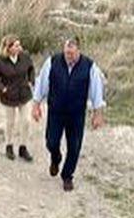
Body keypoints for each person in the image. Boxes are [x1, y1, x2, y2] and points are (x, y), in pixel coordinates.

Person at [31, 37, 106, 192]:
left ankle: (67, 176)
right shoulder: (52, 62)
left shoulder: (90, 67)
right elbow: (42, 84)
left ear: (78, 50)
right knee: (51, 141)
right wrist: (36, 105)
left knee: (74, 146)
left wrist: (97, 113)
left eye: (71, 53)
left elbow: (96, 91)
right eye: (66, 53)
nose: (68, 56)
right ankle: (56, 157)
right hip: (56, 111)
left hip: (76, 113)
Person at [0, 35, 35, 162]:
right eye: (16, 45)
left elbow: (31, 69)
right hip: (9, 95)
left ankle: (23, 147)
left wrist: (31, 80)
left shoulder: (25, 56)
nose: (19, 47)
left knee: (26, 121)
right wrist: (2, 88)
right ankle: (8, 146)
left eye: (19, 45)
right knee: (10, 123)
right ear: (8, 48)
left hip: (24, 93)